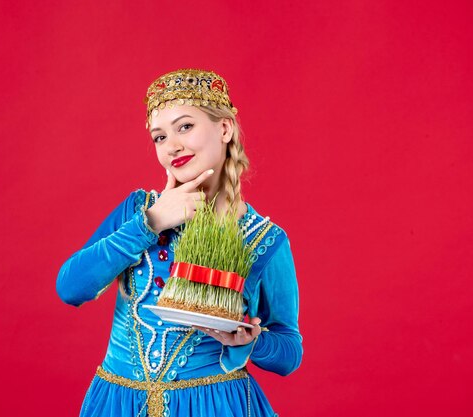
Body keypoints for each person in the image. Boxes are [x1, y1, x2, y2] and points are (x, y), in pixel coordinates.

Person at [56, 68, 303, 417]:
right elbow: (71, 288)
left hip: (215, 406)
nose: (171, 145)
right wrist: (152, 222)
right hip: (121, 404)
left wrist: (252, 341)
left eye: (185, 127)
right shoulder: (139, 210)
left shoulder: (265, 240)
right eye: (159, 137)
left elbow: (289, 352)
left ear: (224, 128)